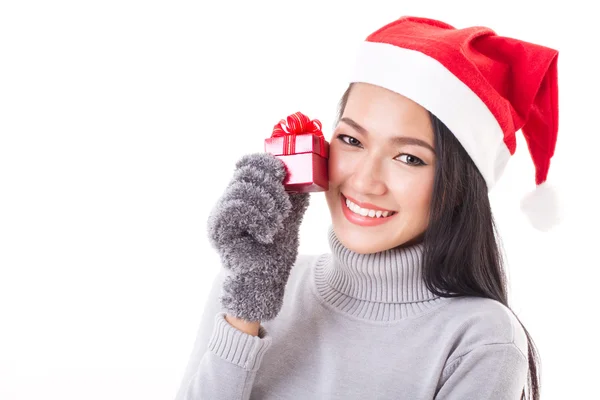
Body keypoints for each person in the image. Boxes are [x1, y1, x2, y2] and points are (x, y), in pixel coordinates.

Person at [174, 15, 558, 400]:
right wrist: (248, 305)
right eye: (351, 140)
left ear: (458, 189)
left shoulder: (481, 339)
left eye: (409, 158)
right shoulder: (245, 283)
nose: (363, 181)